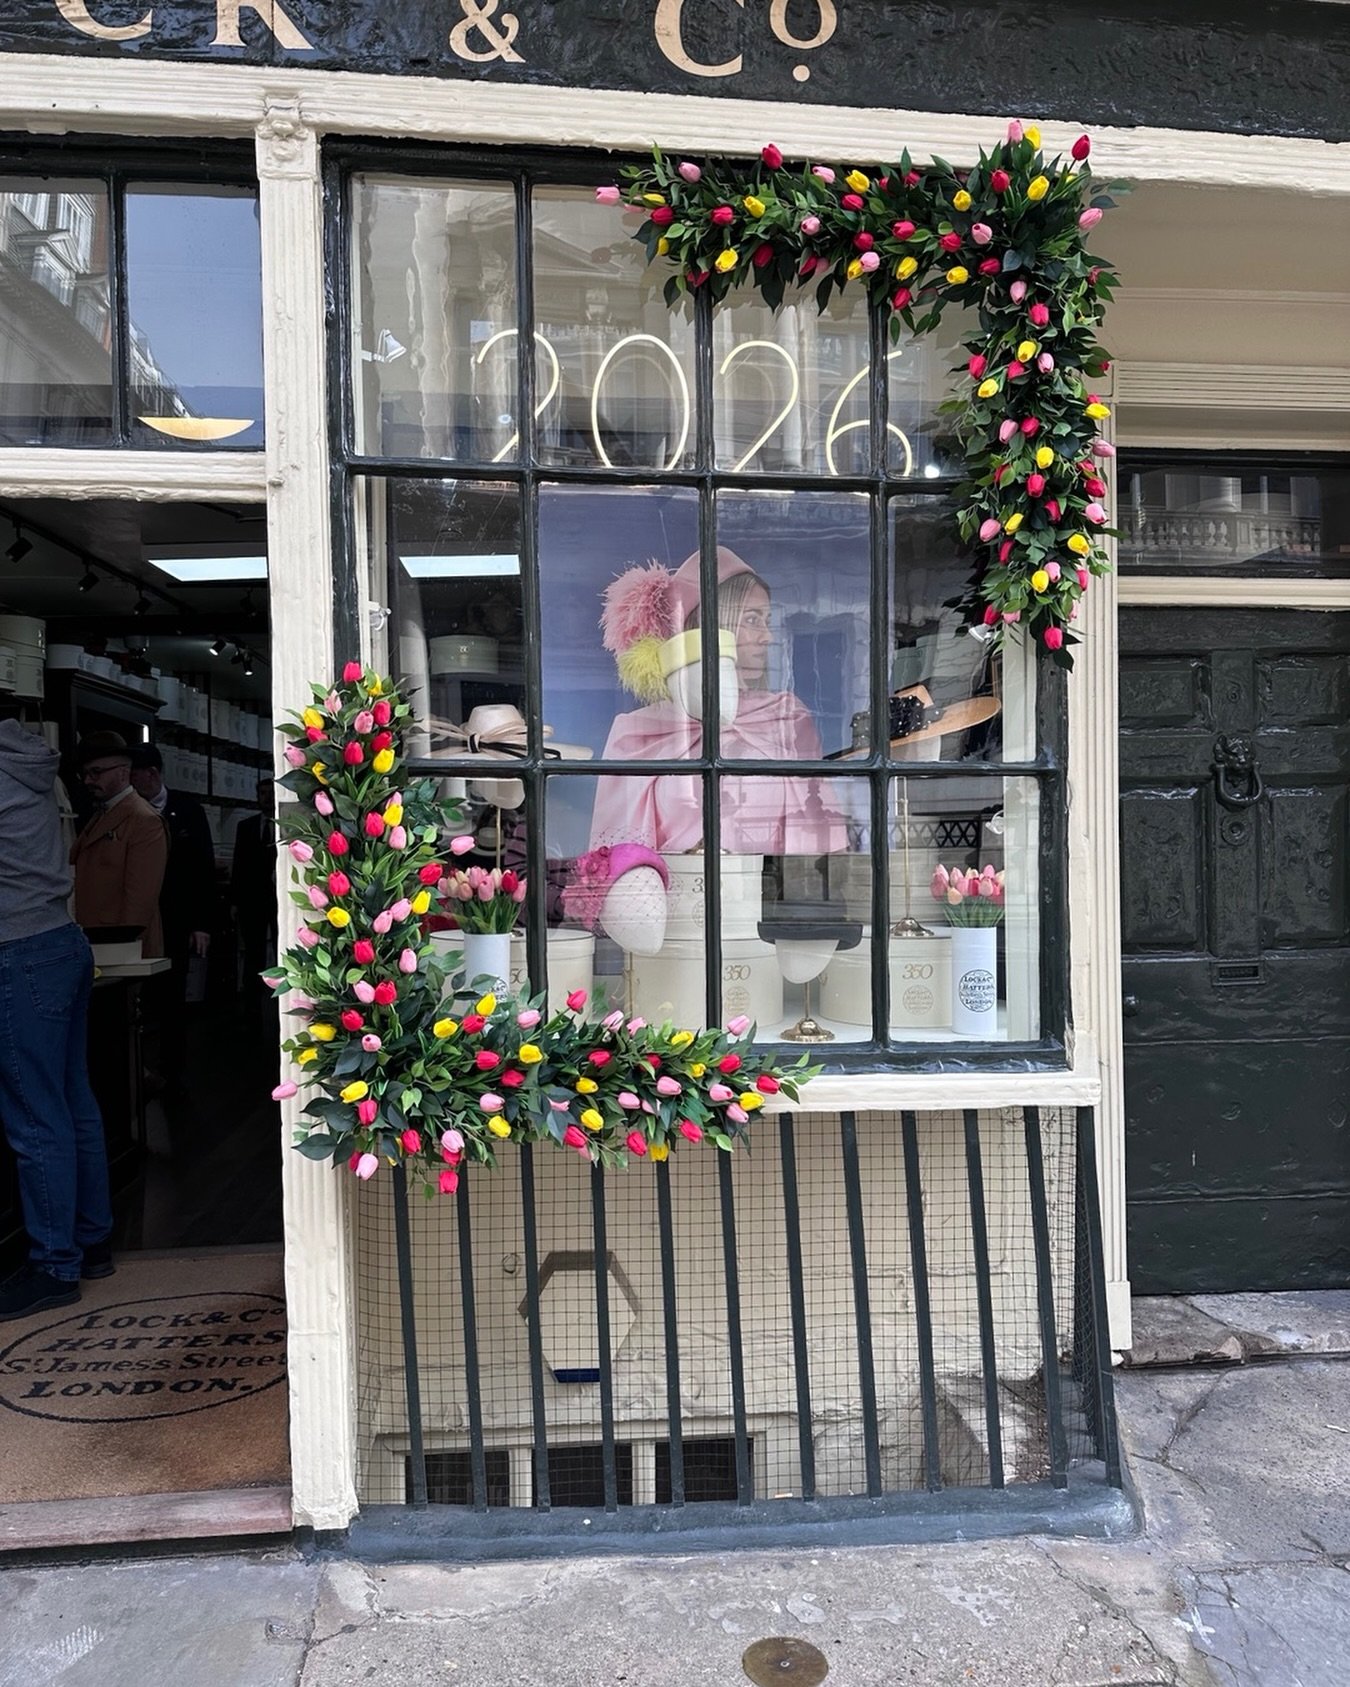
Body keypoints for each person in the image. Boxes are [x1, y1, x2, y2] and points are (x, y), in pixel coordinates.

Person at [590, 546, 848, 856]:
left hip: (772, 897)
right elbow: (617, 857)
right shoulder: (637, 734)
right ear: (714, 623)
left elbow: (818, 839)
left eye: (767, 621)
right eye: (752, 619)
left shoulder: (786, 719)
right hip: (673, 898)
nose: (767, 637)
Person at [0, 717, 114, 1320]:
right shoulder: (27, 762)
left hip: (16, 949)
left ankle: (53, 1264)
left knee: (35, 1116)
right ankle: (92, 1242)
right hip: (59, 941)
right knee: (72, 1103)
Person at [130, 743, 217, 1086]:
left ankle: (172, 1069)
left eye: (133, 774)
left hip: (178, 917)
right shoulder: (128, 812)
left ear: (152, 774)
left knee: (174, 995)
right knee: (142, 996)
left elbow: (203, 868)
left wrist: (202, 924)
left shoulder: (187, 809)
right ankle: (140, 1068)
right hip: (140, 918)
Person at [71, 732, 169, 956]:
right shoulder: (101, 812)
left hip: (120, 947)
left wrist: (126, 951)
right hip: (97, 941)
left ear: (123, 772)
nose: (88, 780)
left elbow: (139, 901)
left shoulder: (143, 820)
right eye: (85, 774)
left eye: (96, 772)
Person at [230, 777, 278, 1023]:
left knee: (282, 950)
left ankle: (281, 1003)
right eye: (262, 793)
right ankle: (252, 1009)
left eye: (270, 793)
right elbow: (238, 866)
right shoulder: (246, 826)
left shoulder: (286, 826)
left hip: (279, 901)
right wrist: (235, 902)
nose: (266, 798)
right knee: (253, 955)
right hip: (252, 900)